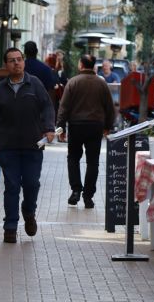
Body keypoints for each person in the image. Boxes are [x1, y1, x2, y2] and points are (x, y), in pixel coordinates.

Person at [0, 47, 56, 244]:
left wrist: (49, 128)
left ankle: (29, 212)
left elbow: (47, 107)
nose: (16, 63)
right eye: (12, 60)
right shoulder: (0, 89)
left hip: (32, 146)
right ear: (6, 65)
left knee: (31, 184)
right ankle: (10, 226)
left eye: (19, 59)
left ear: (24, 62)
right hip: (7, 147)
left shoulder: (34, 84)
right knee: (11, 187)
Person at [57, 54, 116, 208]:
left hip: (76, 126)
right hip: (95, 126)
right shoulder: (101, 83)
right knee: (93, 162)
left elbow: (64, 107)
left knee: (73, 158)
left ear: (81, 65)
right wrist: (108, 126)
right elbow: (110, 107)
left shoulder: (73, 82)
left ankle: (76, 190)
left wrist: (61, 127)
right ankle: (88, 196)